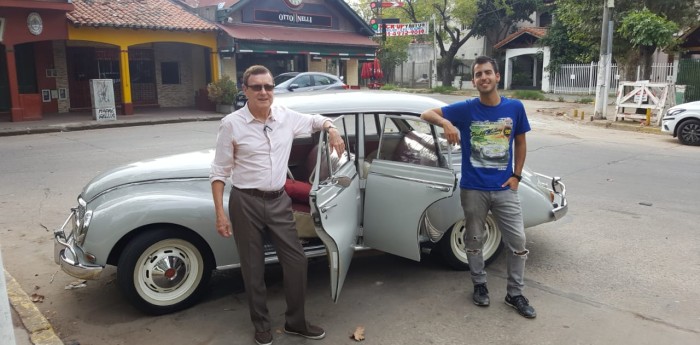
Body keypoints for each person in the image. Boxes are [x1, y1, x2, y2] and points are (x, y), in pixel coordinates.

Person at [210, 65, 345, 345]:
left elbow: (316, 121)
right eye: (257, 87)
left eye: (268, 87)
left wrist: (332, 129)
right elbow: (219, 172)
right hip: (245, 202)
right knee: (253, 267)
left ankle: (296, 322)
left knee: (296, 261)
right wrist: (220, 214)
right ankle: (261, 325)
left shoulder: (286, 117)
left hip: (278, 200)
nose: (263, 92)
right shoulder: (231, 124)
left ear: (274, 90)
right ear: (245, 90)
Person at [420, 56, 536, 319]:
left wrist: (517, 175)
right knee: (474, 239)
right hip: (473, 188)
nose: (483, 78)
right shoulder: (466, 109)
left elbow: (520, 142)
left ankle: (514, 293)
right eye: (478, 74)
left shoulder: (515, 108)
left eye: (487, 73)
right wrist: (447, 123)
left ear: (497, 77)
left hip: (505, 188)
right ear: (474, 81)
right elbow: (426, 113)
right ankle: (479, 284)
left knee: (518, 241)